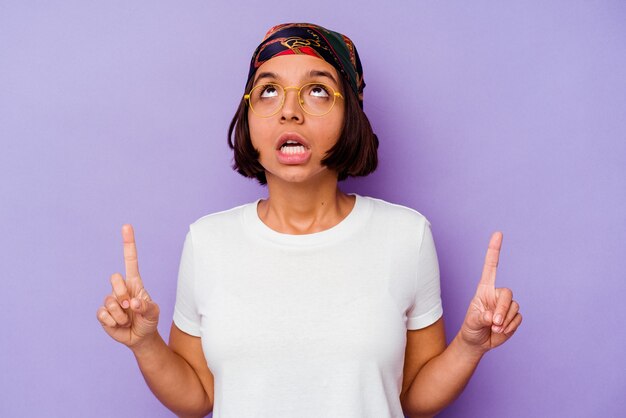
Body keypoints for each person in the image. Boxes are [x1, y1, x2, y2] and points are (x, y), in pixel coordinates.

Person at [96, 23, 522, 418]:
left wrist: (469, 347)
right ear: (248, 116)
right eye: (268, 91)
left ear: (350, 113)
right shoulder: (207, 240)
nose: (289, 111)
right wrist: (144, 343)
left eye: (317, 91)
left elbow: (411, 396)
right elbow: (198, 397)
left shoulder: (405, 235)